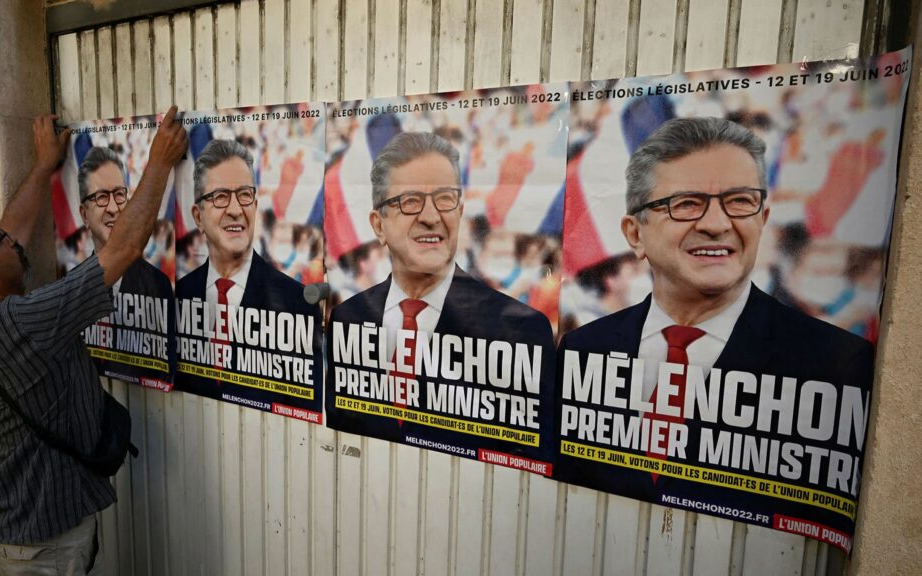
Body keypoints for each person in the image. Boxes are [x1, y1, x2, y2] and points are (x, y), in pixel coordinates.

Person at [0, 109, 187, 574]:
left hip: (6, 515)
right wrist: (160, 160)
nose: (10, 241)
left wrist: (44, 165)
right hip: (42, 537)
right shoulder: (25, 321)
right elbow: (121, 248)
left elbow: (7, 235)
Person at [557, 117, 873, 513]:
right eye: (686, 203)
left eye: (740, 201)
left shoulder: (836, 364)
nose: (717, 224)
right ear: (635, 234)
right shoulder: (583, 349)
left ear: (763, 219)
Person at [328, 131, 555, 449]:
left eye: (445, 199)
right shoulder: (347, 317)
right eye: (410, 202)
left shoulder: (520, 331)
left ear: (460, 212)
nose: (432, 217)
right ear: (379, 225)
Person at [174, 139, 321, 401]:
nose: (235, 210)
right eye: (220, 197)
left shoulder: (297, 303)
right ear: (198, 216)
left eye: (244, 195)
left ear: (255, 205)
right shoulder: (178, 295)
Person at [77, 146, 177, 386]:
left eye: (119, 195)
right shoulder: (70, 287)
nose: (113, 208)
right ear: (83, 214)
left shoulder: (158, 283)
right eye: (101, 197)